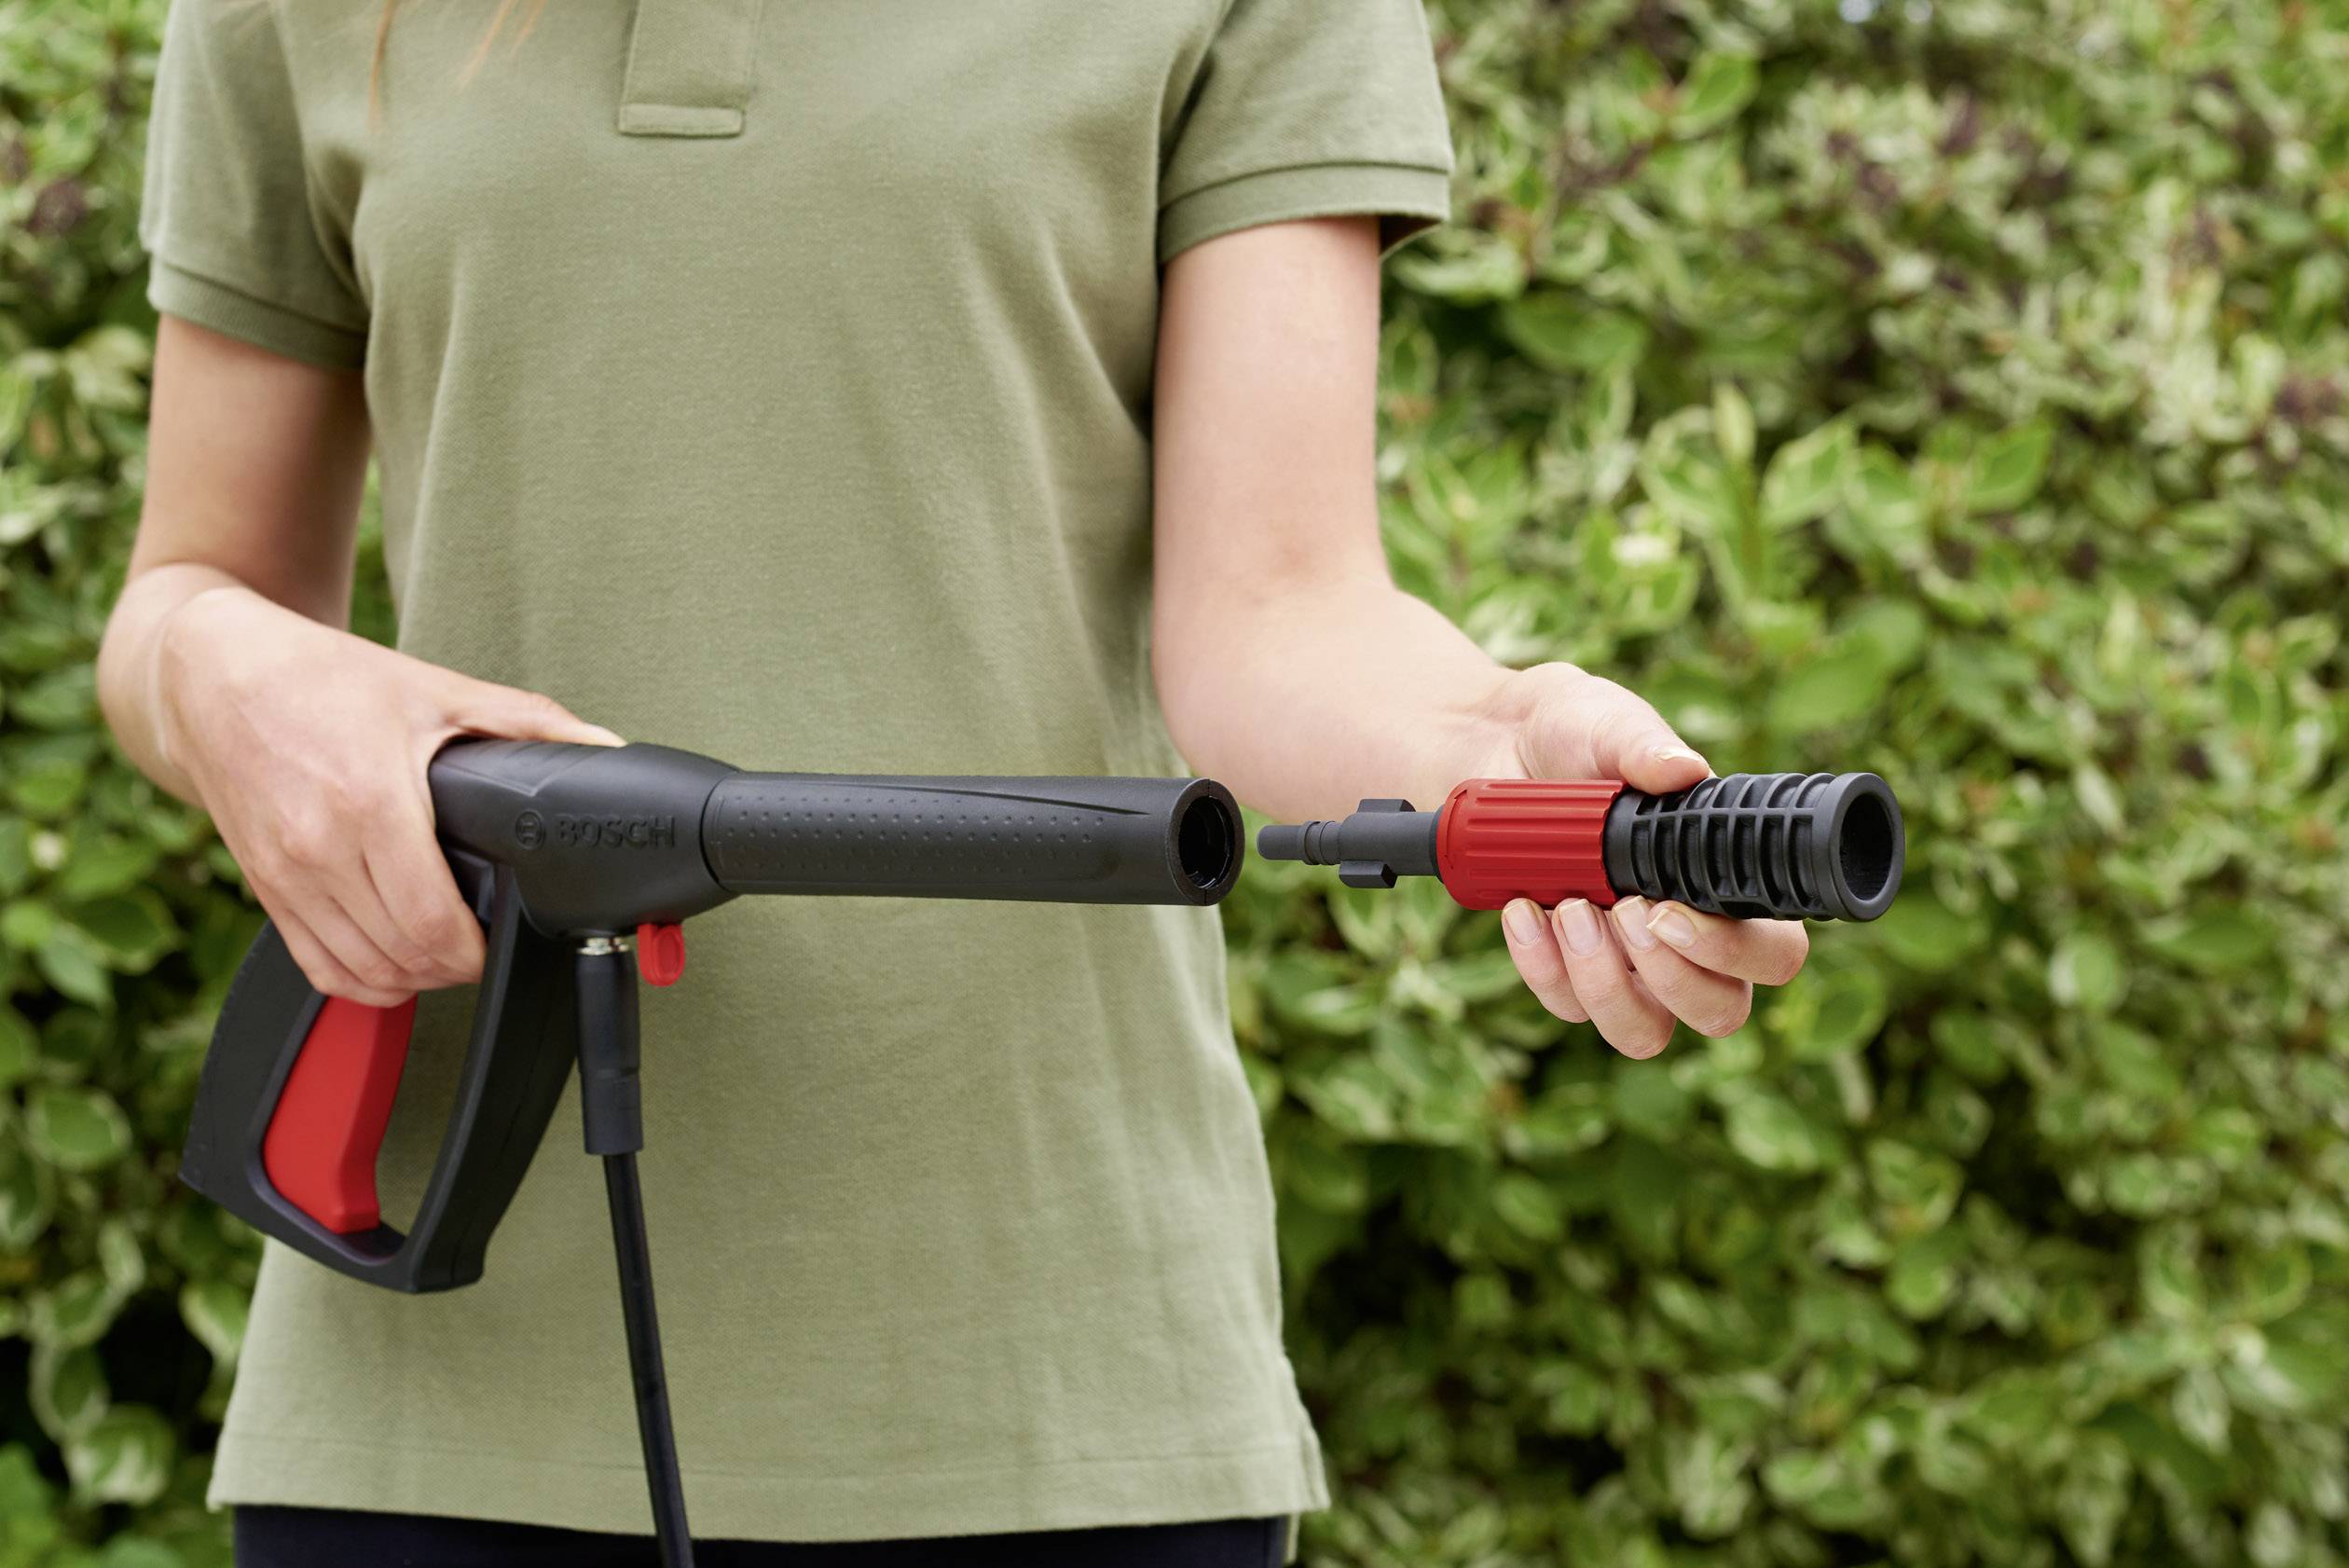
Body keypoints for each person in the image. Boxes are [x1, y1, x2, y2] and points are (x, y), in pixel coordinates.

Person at [98, 2, 1811, 1563]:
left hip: (1062, 1405)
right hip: (428, 1401)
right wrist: (219, 668)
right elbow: (190, 593)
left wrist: (1498, 754)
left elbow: (1278, 609)